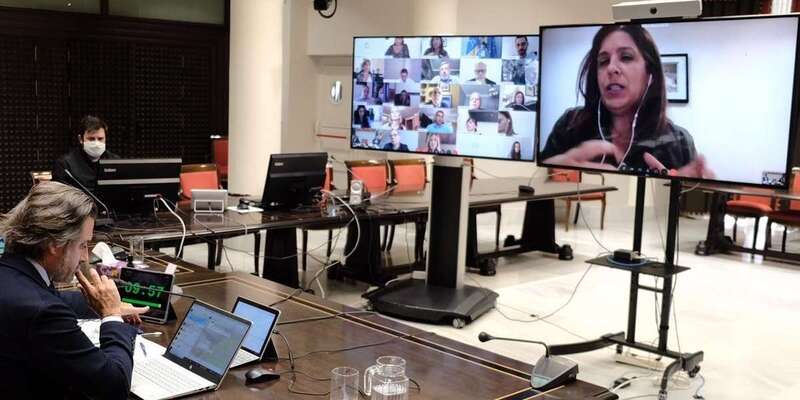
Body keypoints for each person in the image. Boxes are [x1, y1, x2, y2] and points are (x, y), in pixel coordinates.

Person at [0, 181, 148, 399]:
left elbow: (54, 298)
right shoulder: (43, 312)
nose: (86, 257)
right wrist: (112, 317)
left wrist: (98, 302)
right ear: (54, 244)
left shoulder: (13, 272)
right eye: (82, 245)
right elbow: (114, 387)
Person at [540, 24, 713, 178]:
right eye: (603, 61)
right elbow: (536, 189)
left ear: (649, 75)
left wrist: (688, 190)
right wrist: (548, 172)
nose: (612, 68)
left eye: (626, 57)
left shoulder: (678, 141)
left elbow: (688, 208)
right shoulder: (570, 125)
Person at [53, 115, 121, 193]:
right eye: (91, 139)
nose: (96, 143)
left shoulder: (115, 161)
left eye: (100, 139)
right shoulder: (65, 165)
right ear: (80, 139)